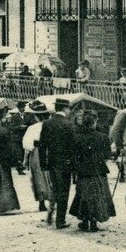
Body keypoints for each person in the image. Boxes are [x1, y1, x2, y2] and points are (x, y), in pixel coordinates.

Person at [69, 110, 115, 232]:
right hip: (98, 170)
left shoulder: (77, 137)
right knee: (98, 195)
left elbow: (74, 156)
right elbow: (107, 155)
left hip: (83, 171)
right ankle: (94, 220)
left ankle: (84, 220)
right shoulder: (103, 137)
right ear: (94, 122)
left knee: (83, 195)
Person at [39, 97, 74, 229]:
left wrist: (43, 163)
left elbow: (42, 146)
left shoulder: (47, 123)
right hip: (65, 163)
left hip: (52, 162)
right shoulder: (69, 124)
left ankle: (50, 215)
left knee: (55, 189)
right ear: (65, 108)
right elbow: (72, 146)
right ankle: (60, 220)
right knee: (64, 191)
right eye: (69, 108)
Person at [22, 100, 55, 217]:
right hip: (50, 151)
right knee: (50, 175)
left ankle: (41, 202)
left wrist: (25, 159)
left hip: (36, 151)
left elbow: (26, 145)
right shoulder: (52, 126)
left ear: (36, 116)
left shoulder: (32, 128)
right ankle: (52, 199)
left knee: (38, 176)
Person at [4, 107, 26, 175]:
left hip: (25, 137)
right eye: (22, 107)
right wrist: (20, 127)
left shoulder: (27, 115)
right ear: (19, 108)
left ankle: (22, 167)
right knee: (19, 154)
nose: (24, 109)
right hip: (17, 139)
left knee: (23, 154)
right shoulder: (14, 116)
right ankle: (20, 169)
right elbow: (11, 127)